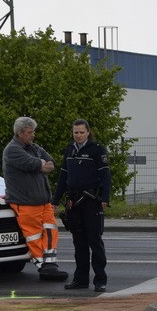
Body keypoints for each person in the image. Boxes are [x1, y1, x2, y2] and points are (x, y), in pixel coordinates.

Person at [2, 116, 68, 281]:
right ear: (20, 133)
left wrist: (43, 164)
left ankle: (50, 265)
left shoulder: (34, 148)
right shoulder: (12, 150)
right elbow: (36, 165)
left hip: (42, 201)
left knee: (51, 231)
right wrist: (41, 164)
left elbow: (50, 163)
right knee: (33, 236)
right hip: (25, 203)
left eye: (33, 132)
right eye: (30, 132)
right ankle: (42, 266)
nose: (33, 135)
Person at [53, 119, 112, 293]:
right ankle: (80, 280)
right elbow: (63, 178)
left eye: (81, 132)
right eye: (75, 132)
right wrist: (55, 201)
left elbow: (106, 177)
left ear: (88, 132)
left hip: (91, 202)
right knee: (79, 243)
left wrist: (104, 198)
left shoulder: (96, 150)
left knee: (95, 242)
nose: (78, 135)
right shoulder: (70, 150)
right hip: (74, 202)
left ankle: (100, 280)